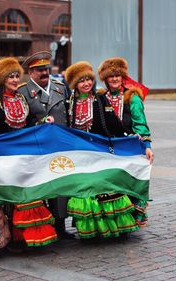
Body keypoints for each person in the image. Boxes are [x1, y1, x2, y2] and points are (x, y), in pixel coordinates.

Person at [0, 57, 58, 251]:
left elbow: (28, 121)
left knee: (28, 194)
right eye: (10, 77)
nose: (14, 80)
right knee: (10, 197)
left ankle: (29, 238)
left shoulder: (21, 97)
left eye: (16, 76)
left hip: (24, 153)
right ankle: (12, 237)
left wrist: (41, 122)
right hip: (4, 155)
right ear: (1, 79)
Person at [65, 61, 139, 240]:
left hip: (99, 152)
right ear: (75, 84)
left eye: (89, 79)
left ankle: (109, 228)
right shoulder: (69, 103)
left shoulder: (99, 99)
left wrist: (130, 136)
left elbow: (114, 122)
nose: (86, 84)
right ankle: (90, 228)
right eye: (82, 81)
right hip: (79, 155)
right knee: (84, 189)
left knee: (102, 190)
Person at [17, 51, 73, 239]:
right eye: (39, 70)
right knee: (41, 188)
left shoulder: (60, 88)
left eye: (46, 69)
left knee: (61, 186)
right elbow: (20, 123)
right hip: (38, 148)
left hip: (60, 146)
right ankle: (41, 229)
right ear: (30, 72)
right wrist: (38, 124)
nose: (44, 73)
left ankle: (60, 226)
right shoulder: (23, 92)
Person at [97, 57, 153, 227]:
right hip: (107, 149)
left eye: (117, 76)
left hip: (128, 147)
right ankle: (112, 223)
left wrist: (147, 146)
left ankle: (126, 222)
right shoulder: (100, 97)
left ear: (123, 77)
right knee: (108, 188)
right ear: (105, 79)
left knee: (127, 185)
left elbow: (140, 123)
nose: (114, 79)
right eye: (111, 76)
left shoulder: (132, 97)